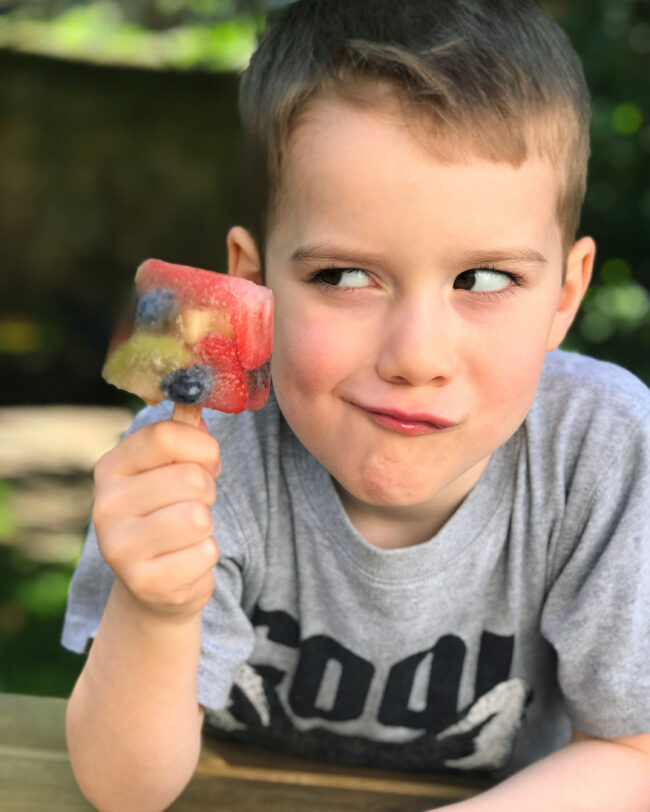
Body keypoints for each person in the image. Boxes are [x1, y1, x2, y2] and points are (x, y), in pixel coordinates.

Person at [62, 1, 650, 809]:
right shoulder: (196, 459)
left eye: (483, 280)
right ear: (252, 280)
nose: (415, 357)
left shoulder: (605, 454)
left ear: (564, 295)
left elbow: (634, 751)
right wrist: (157, 611)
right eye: (344, 276)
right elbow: (123, 790)